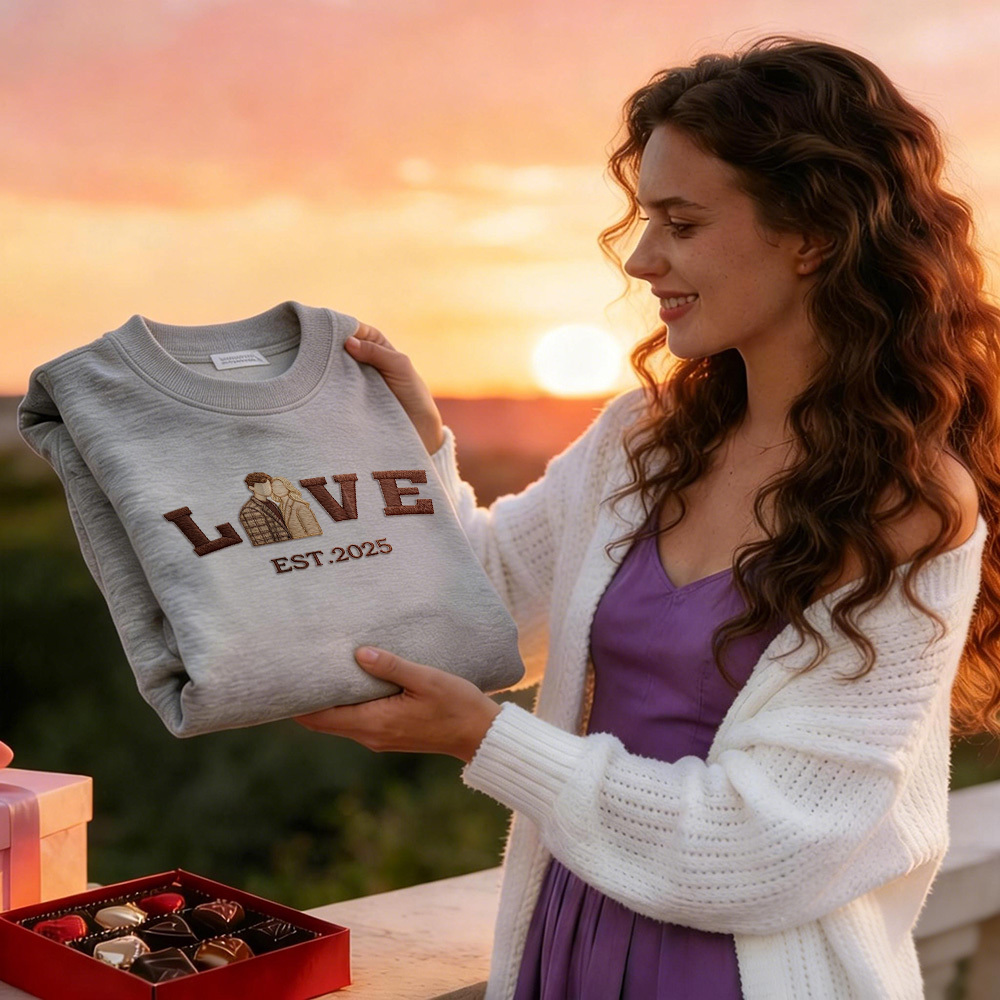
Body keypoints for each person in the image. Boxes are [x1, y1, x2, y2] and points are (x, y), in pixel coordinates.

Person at [294, 33, 999, 1000]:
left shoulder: (907, 508)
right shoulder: (648, 439)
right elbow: (484, 605)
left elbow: (766, 847)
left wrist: (482, 741)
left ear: (813, 234)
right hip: (568, 943)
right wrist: (413, 451)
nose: (642, 257)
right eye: (644, 217)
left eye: (682, 221)